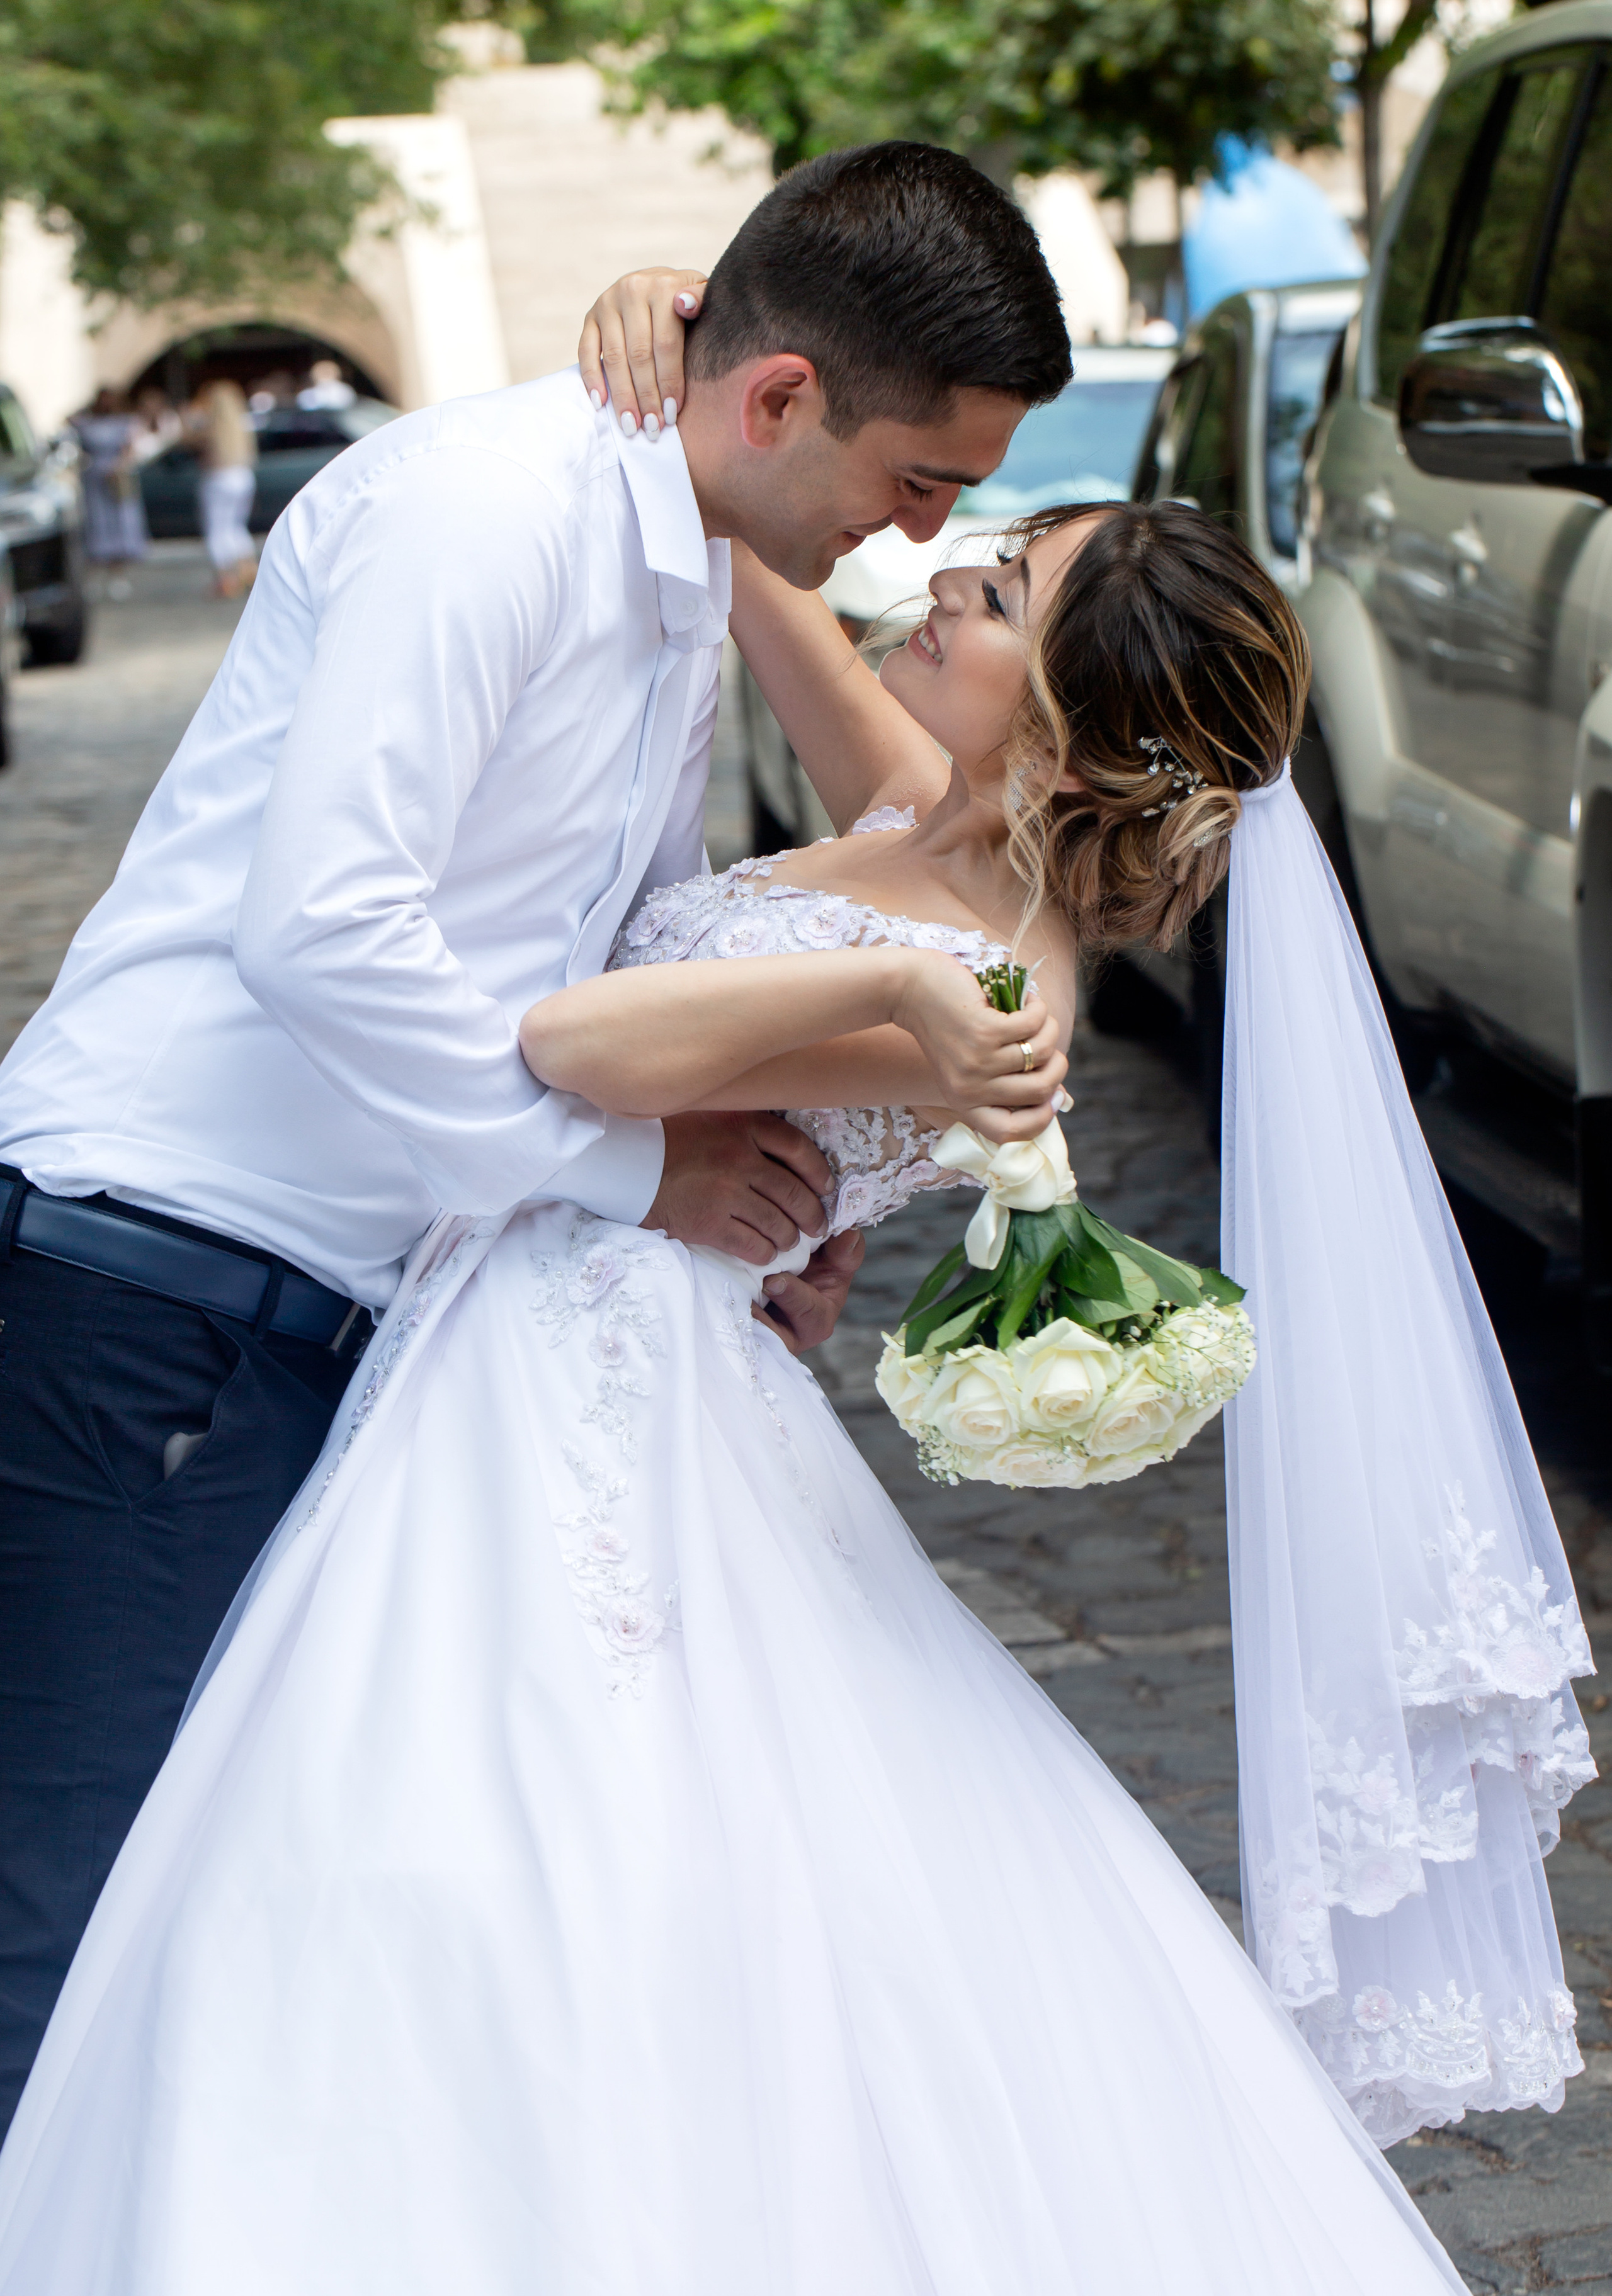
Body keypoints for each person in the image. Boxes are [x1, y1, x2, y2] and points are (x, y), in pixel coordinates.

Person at [0, 276, 1584, 2295]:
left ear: (1084, 718)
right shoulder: (933, 819)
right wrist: (677, 332)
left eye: (1002, 590)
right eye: (972, 532)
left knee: (513, 1860)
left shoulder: (990, 977)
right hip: (546, 1332)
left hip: (595, 1384)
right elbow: (752, 559)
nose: (940, 579)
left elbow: (575, 1048)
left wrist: (863, 989)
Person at [0, 142, 1070, 2142]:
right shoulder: (492, 513)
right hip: (170, 1280)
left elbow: (599, 938)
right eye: (916, 480)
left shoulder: (692, 552)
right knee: (81, 1934)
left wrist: (779, 1170)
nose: (920, 536)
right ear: (777, 402)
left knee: (254, 1929)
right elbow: (324, 927)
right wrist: (631, 1176)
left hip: (377, 1312)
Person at [70, 388, 149, 599]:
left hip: (116, 479)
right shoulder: (87, 423)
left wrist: (119, 465)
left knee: (120, 523)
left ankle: (118, 574)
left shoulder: (125, 422)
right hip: (94, 480)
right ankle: (95, 573)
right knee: (97, 524)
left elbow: (131, 448)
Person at [186, 378, 258, 599]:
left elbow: (189, 443)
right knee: (236, 527)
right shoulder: (241, 423)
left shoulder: (210, 426)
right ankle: (248, 570)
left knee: (218, 530)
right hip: (243, 476)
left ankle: (226, 580)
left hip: (218, 479)